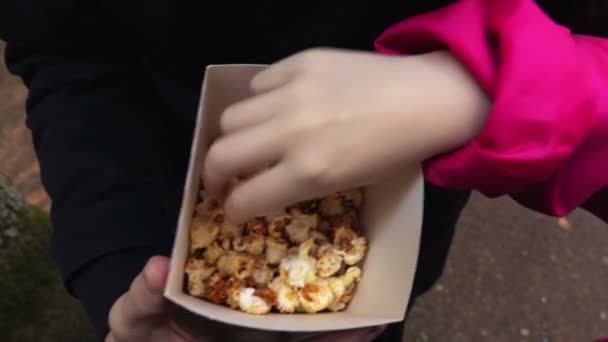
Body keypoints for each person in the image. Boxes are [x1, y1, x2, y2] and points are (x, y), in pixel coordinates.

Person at [1, 0, 607, 341]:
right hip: (160, 215)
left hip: (390, 249)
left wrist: (486, 89)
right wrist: (117, 260)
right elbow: (70, 54)